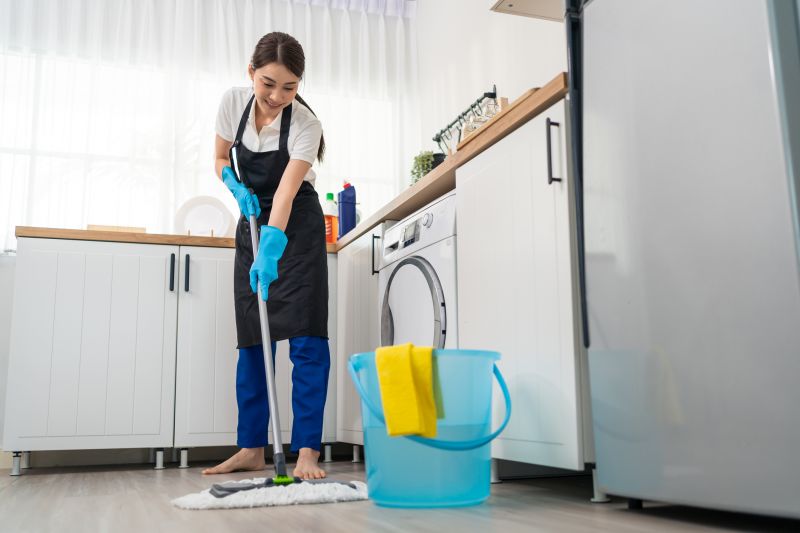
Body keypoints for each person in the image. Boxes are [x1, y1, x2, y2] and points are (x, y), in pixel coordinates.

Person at [203, 32, 329, 480]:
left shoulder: (305, 125)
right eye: (268, 83)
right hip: (251, 222)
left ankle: (308, 451)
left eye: (290, 87)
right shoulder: (232, 103)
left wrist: (273, 245)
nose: (277, 96)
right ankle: (252, 447)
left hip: (294, 226)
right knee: (254, 339)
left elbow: (287, 192)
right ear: (251, 74)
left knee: (307, 340)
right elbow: (219, 157)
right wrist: (233, 186)